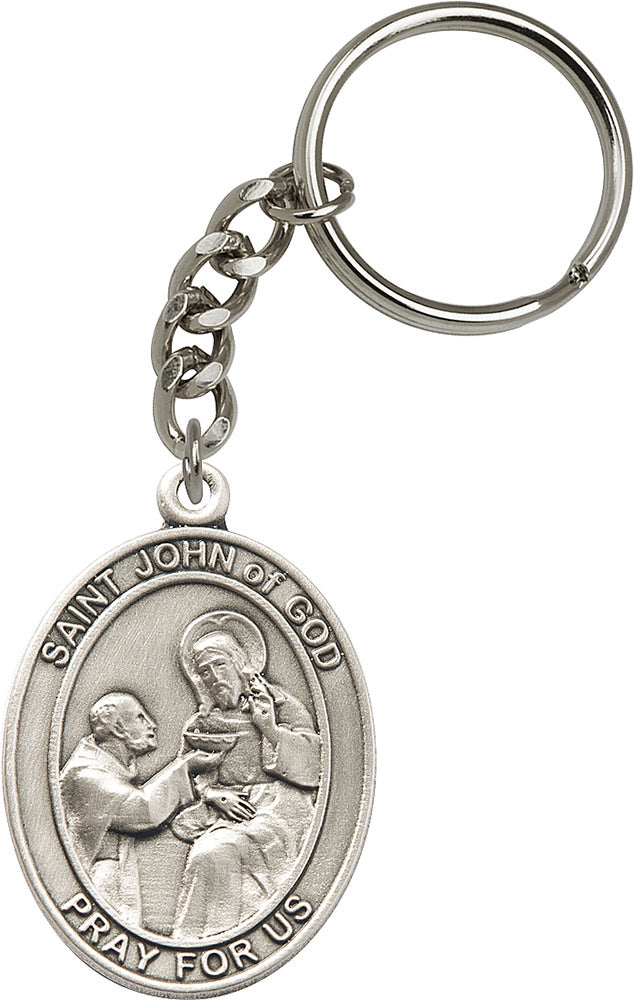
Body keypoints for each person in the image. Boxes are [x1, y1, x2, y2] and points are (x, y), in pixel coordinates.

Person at [171, 611, 321, 939]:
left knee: (221, 852)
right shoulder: (200, 723)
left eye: (220, 665)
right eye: (205, 671)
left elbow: (314, 767)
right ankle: (200, 940)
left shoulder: (281, 706)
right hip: (226, 813)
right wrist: (213, 794)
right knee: (208, 854)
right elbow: (186, 773)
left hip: (279, 809)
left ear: (240, 664)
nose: (214, 677)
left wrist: (269, 728)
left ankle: (224, 935)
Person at [60, 691, 221, 926]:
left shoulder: (107, 769)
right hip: (95, 886)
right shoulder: (86, 775)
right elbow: (143, 810)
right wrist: (186, 767)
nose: (152, 725)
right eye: (140, 717)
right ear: (118, 729)